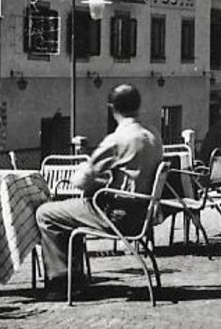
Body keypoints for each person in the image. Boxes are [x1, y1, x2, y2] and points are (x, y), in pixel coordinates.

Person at [35, 84, 164, 288]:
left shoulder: (118, 139)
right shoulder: (153, 135)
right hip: (141, 214)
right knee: (71, 214)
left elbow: (80, 181)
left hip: (118, 216)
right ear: (138, 106)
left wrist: (91, 176)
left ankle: (62, 282)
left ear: (112, 108)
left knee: (46, 213)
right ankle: (74, 278)